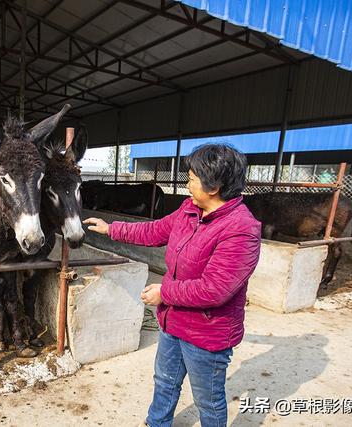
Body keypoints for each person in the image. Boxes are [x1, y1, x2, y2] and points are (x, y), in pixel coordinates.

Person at [84, 144, 261, 427]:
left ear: (213, 186)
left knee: (209, 399)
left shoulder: (241, 229)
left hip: (207, 332)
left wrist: (163, 292)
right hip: (173, 320)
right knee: (164, 381)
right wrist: (112, 229)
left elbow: (214, 289)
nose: (187, 184)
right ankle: (157, 423)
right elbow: (154, 231)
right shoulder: (189, 210)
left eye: (191, 178)